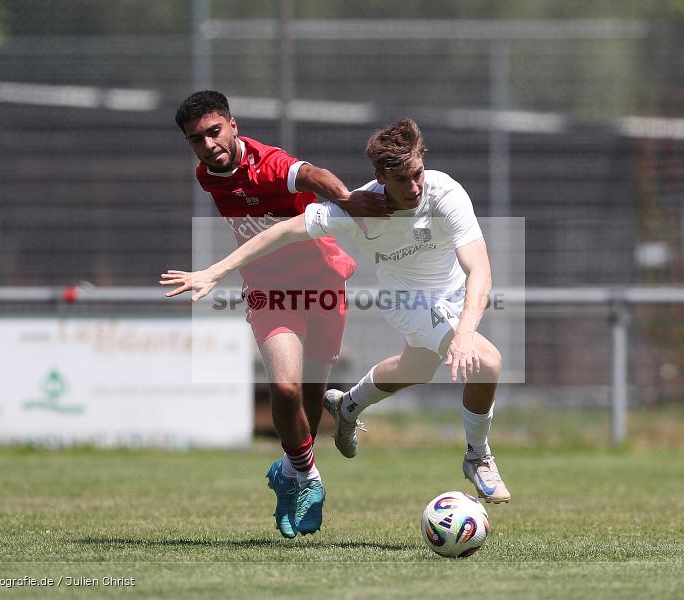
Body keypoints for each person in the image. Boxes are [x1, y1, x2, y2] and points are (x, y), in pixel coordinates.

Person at [161, 117, 510, 504]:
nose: (413, 188)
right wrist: (216, 270)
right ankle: (478, 456)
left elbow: (480, 268)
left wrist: (462, 332)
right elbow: (280, 232)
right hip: (406, 300)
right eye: (401, 181)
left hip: (452, 296)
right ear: (379, 176)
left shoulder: (445, 192)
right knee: (488, 362)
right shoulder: (360, 207)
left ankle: (348, 404)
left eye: (417, 174)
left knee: (418, 367)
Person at [167, 91, 392, 538]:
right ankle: (307, 479)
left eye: (214, 132)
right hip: (270, 293)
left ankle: (288, 473)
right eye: (197, 139)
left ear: (233, 125)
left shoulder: (267, 164)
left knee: (310, 406)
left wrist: (346, 201)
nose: (208, 145)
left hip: (324, 285)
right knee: (285, 390)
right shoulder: (206, 174)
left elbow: (313, 175)